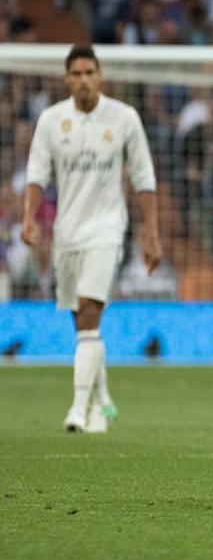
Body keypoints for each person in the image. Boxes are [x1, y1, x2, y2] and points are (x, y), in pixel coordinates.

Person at [22, 44, 162, 432]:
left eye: (90, 72)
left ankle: (77, 411)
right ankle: (103, 402)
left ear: (100, 76)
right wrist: (29, 219)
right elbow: (37, 174)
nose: (84, 80)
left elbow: (144, 178)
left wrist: (151, 234)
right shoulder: (51, 121)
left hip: (107, 228)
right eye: (76, 74)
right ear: (66, 79)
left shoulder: (124, 118)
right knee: (83, 324)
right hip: (67, 232)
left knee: (88, 311)